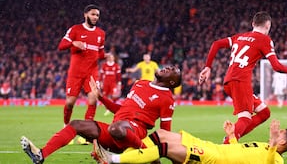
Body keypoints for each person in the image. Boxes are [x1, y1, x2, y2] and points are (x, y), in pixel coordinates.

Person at [20, 65, 182, 164]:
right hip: (115, 128)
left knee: (116, 128)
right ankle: (41, 155)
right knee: (76, 124)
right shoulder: (140, 83)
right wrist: (100, 97)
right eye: (170, 67)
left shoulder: (167, 99)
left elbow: (164, 132)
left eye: (173, 71)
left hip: (134, 132)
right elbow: (121, 110)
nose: (169, 68)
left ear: (172, 82)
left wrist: (155, 153)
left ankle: (145, 153)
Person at [199, 11, 287, 143]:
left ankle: (232, 137)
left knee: (264, 113)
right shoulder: (265, 40)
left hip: (229, 80)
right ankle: (226, 145)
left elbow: (216, 44)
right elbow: (276, 66)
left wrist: (208, 66)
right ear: (268, 26)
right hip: (240, 81)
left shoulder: (240, 36)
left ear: (253, 23)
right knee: (245, 118)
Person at [92, 119, 287, 164]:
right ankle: (126, 154)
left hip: (214, 159)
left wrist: (273, 144)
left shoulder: (277, 159)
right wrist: (231, 136)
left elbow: (271, 159)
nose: (276, 132)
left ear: (283, 142)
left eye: (280, 133)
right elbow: (239, 153)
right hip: (213, 148)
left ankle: (113, 159)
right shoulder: (263, 146)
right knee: (161, 136)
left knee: (164, 148)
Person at [57, 4, 106, 132]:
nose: (95, 17)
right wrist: (73, 43)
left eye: (97, 15)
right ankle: (66, 126)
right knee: (69, 103)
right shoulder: (75, 29)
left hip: (92, 73)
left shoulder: (101, 34)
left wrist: (106, 56)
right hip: (76, 73)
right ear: (85, 14)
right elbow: (61, 45)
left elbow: (100, 53)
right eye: (93, 14)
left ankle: (87, 130)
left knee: (93, 99)